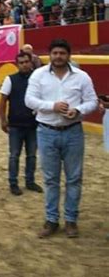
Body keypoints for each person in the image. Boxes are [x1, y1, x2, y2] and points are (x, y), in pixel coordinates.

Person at [25, 39, 98, 238]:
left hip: (73, 131)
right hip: (46, 131)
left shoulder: (82, 77)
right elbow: (29, 100)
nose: (58, 56)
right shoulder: (38, 75)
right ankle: (51, 220)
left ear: (69, 55)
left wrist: (78, 110)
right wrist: (53, 106)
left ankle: (71, 220)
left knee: (74, 178)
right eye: (55, 53)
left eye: (62, 53)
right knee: (50, 179)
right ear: (50, 54)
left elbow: (92, 101)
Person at [0, 51, 43, 196]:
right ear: (17, 64)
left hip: (33, 124)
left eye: (26, 61)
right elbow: (3, 99)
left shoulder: (37, 79)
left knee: (31, 155)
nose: (24, 64)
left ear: (31, 62)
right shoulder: (10, 79)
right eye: (21, 62)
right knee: (14, 155)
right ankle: (13, 183)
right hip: (16, 124)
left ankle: (30, 182)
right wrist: (3, 120)